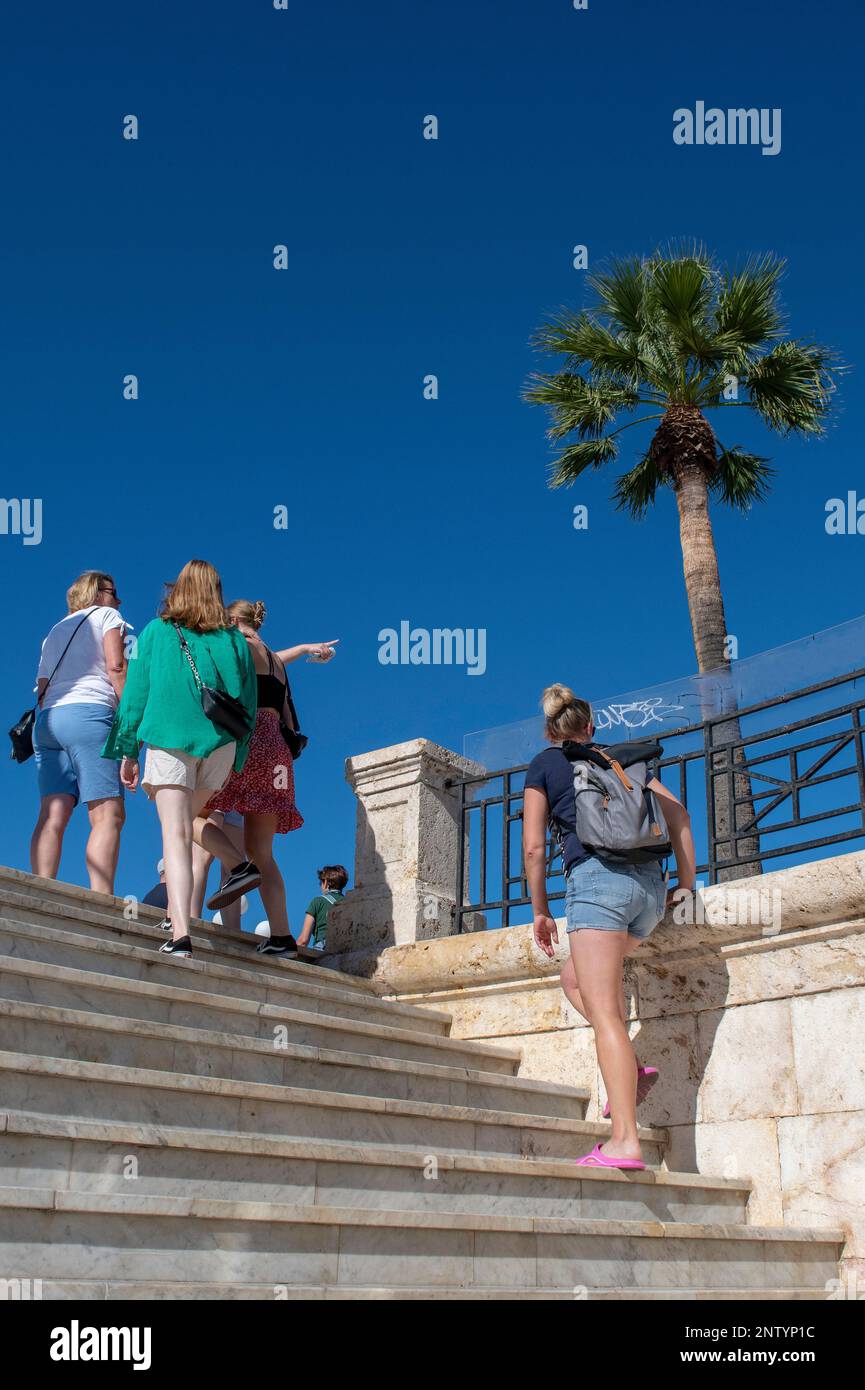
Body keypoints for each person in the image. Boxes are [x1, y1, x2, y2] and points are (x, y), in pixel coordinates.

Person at [524, 684, 696, 1170]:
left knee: (605, 1018)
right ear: (590, 728)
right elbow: (677, 811)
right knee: (573, 980)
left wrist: (540, 909)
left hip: (597, 886)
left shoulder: (544, 764)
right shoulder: (624, 759)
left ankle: (624, 1141)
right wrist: (685, 881)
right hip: (648, 894)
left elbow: (534, 848)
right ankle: (632, 1068)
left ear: (548, 731)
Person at [102, 560, 258, 959]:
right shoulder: (235, 640)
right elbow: (248, 701)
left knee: (174, 832)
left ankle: (182, 933)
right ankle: (237, 864)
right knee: (189, 821)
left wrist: (127, 751)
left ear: (179, 589)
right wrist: (238, 755)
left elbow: (136, 694)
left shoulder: (157, 632)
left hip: (170, 738)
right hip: (220, 744)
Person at [205, 599, 337, 956]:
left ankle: (235, 868)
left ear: (232, 620)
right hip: (277, 749)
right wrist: (308, 648)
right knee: (264, 851)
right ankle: (282, 937)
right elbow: (279, 683)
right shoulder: (275, 661)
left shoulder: (239, 646)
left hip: (248, 740)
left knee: (188, 812)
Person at [29, 571, 131, 895]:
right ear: (98, 594)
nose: (119, 599)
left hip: (49, 722)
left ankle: (42, 891)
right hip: (91, 714)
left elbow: (42, 690)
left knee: (52, 813)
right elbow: (117, 667)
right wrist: (130, 726)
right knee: (107, 814)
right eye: (114, 592)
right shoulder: (108, 616)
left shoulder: (54, 631)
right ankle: (101, 900)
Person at [297, 864, 348, 952]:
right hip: (344, 951)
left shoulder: (318, 901)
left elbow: (303, 941)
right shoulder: (349, 903)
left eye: (321, 883)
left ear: (325, 883)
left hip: (323, 949)